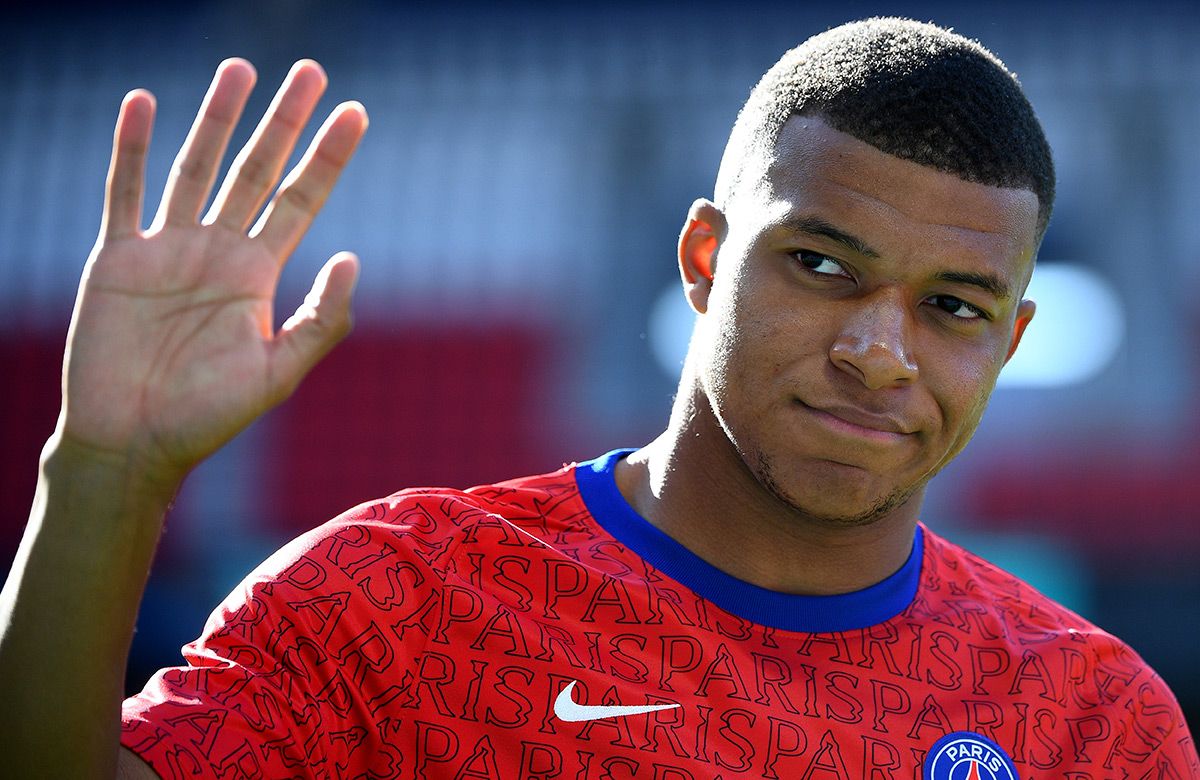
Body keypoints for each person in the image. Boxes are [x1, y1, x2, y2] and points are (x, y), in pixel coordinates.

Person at [1, 16, 1195, 779]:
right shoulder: (399, 601)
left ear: (1011, 337)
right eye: (823, 267)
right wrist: (102, 473)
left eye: (955, 308)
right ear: (703, 260)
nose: (881, 353)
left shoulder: (1095, 724)